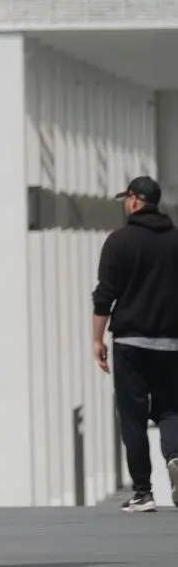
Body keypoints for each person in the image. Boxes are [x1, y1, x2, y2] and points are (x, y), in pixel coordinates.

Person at [92, 175, 178, 511]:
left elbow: (104, 296)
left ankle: (143, 492)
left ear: (133, 200)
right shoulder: (175, 240)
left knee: (133, 416)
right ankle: (175, 457)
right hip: (170, 342)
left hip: (130, 342)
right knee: (171, 409)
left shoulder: (119, 241)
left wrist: (96, 339)